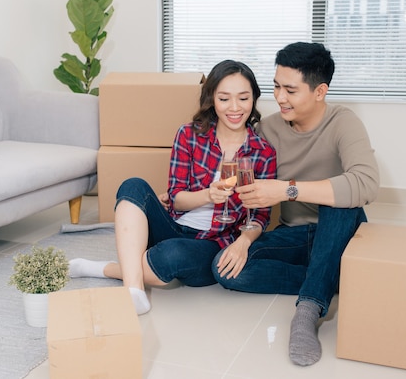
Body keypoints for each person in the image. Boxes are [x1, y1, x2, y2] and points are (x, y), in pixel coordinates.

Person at [211, 42, 379, 366]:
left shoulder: (344, 122)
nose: (279, 97)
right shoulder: (269, 128)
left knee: (340, 200)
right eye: (275, 86)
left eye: (290, 89)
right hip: (293, 234)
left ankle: (308, 310)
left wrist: (286, 190)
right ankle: (327, 276)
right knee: (226, 269)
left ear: (319, 91)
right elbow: (241, 178)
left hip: (338, 231)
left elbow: (366, 183)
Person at [69, 59, 277, 315]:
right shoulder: (189, 134)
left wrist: (243, 242)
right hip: (174, 224)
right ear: (212, 99)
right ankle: (134, 291)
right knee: (132, 185)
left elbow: (260, 215)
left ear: (254, 99)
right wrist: (208, 194)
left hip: (213, 242)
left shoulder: (263, 152)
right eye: (224, 99)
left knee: (171, 256)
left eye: (243, 98)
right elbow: (176, 198)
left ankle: (106, 268)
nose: (234, 107)